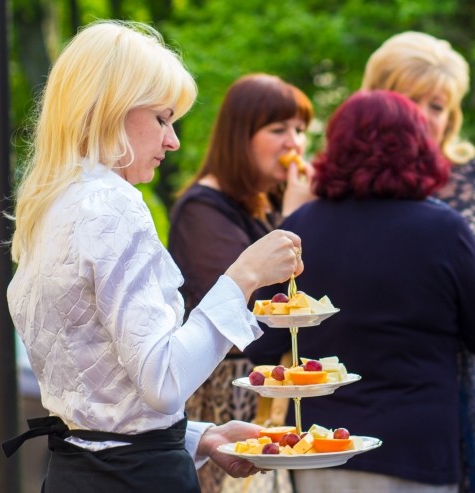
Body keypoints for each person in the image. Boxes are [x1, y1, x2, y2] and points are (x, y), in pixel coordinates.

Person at [3, 20, 305, 493]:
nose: (173, 141)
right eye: (163, 119)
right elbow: (162, 382)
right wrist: (243, 277)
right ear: (111, 109)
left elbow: (103, 405)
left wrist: (201, 437)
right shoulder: (113, 204)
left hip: (74, 473)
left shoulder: (50, 205)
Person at [244, 89, 475, 493]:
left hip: (324, 452)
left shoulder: (302, 227)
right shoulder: (444, 231)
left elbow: (261, 346)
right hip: (417, 450)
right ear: (419, 148)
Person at [360, 30, 475, 492]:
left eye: (437, 105)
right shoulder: (337, 184)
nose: (424, 118)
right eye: (411, 100)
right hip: (380, 385)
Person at [167, 73, 314, 493]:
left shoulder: (265, 204)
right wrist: (298, 218)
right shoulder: (203, 210)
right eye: (278, 129)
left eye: (300, 130)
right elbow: (256, 325)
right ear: (240, 136)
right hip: (224, 409)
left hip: (270, 408)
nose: (295, 144)